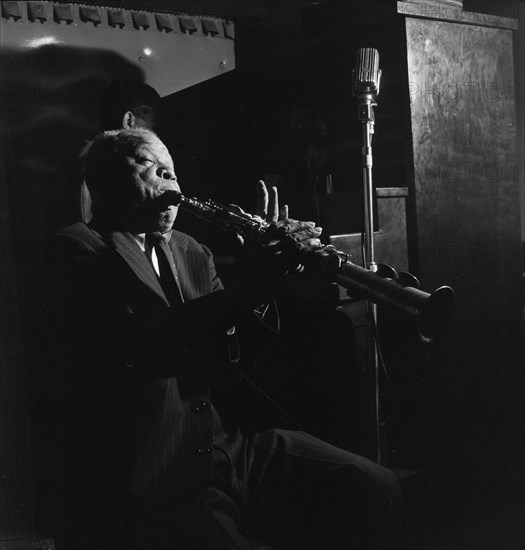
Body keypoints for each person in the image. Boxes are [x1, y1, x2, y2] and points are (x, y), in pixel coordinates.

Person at [43, 127, 407, 549]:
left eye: (172, 170)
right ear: (104, 184)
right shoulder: (76, 247)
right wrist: (251, 287)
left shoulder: (192, 249)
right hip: (159, 476)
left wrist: (273, 278)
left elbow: (233, 357)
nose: (170, 181)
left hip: (227, 451)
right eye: (151, 168)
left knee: (375, 485)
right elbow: (144, 348)